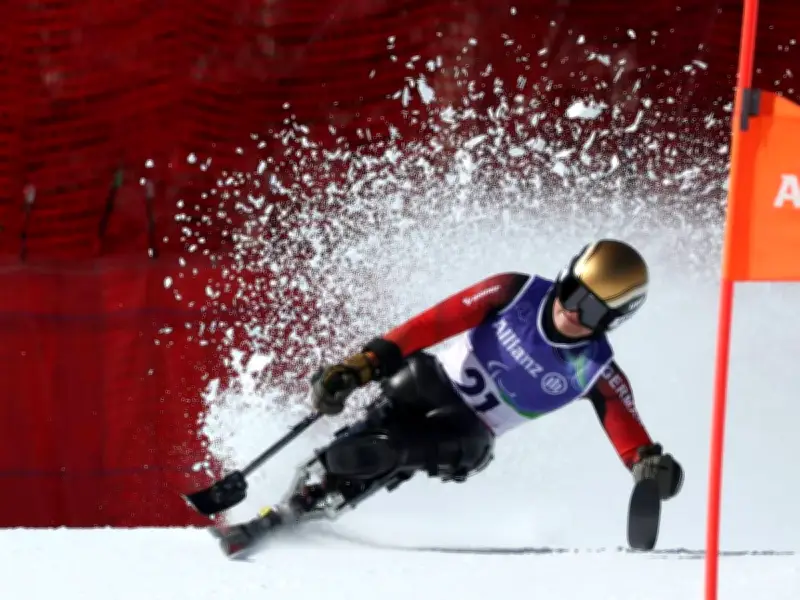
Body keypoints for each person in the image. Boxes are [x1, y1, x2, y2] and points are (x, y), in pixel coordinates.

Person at [222, 239, 684, 554]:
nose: (570, 311)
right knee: (401, 391)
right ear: (562, 275)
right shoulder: (514, 291)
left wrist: (652, 469)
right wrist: (362, 365)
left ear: (613, 321)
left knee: (402, 448)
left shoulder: (596, 370)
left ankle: (332, 486)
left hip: (469, 434)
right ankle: (314, 481)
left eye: (592, 310)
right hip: (429, 382)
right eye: (570, 291)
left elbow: (634, 440)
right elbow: (430, 325)